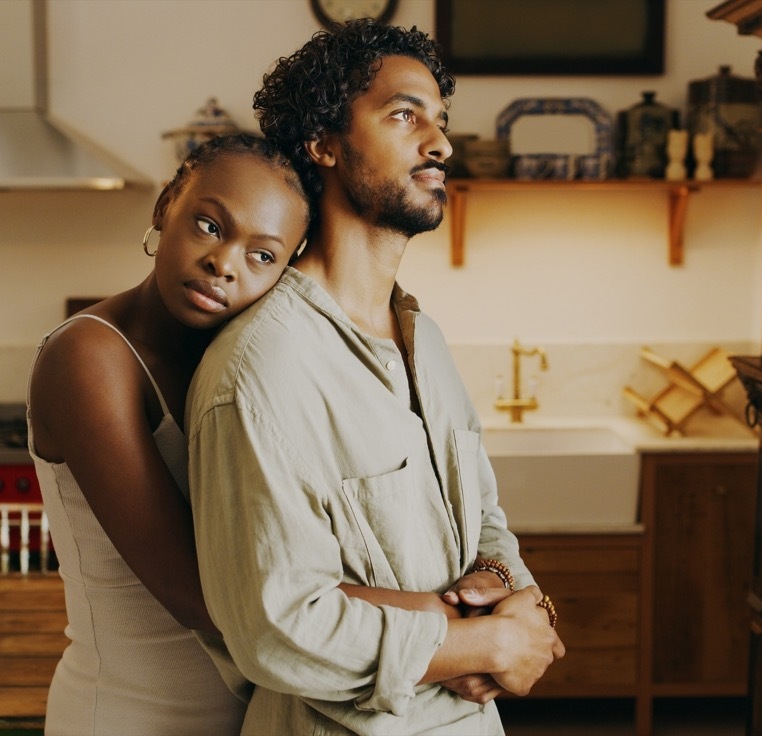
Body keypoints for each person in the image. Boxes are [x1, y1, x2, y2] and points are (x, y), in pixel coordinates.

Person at [186, 20, 566, 736]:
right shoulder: (260, 371)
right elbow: (278, 627)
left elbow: (485, 517)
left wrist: (521, 604)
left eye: (440, 121)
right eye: (404, 115)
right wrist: (479, 644)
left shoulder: (426, 339)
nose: (440, 143)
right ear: (323, 143)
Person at [25, 133, 311, 736]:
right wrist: (438, 631)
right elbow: (200, 596)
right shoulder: (90, 356)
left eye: (263, 255)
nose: (224, 263)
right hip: (126, 716)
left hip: (249, 719)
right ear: (165, 209)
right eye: (210, 225)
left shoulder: (240, 365)